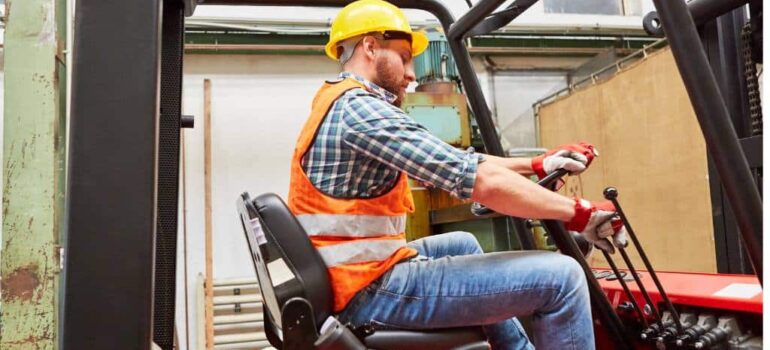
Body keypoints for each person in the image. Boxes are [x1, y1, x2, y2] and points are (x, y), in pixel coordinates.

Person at [287, 1, 627, 348]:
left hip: (354, 278)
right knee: (564, 278)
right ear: (371, 47)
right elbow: (481, 182)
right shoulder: (361, 110)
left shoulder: (339, 101)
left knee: (463, 242)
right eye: (404, 57)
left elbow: (459, 160)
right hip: (368, 291)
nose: (411, 74)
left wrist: (537, 165)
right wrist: (580, 213)